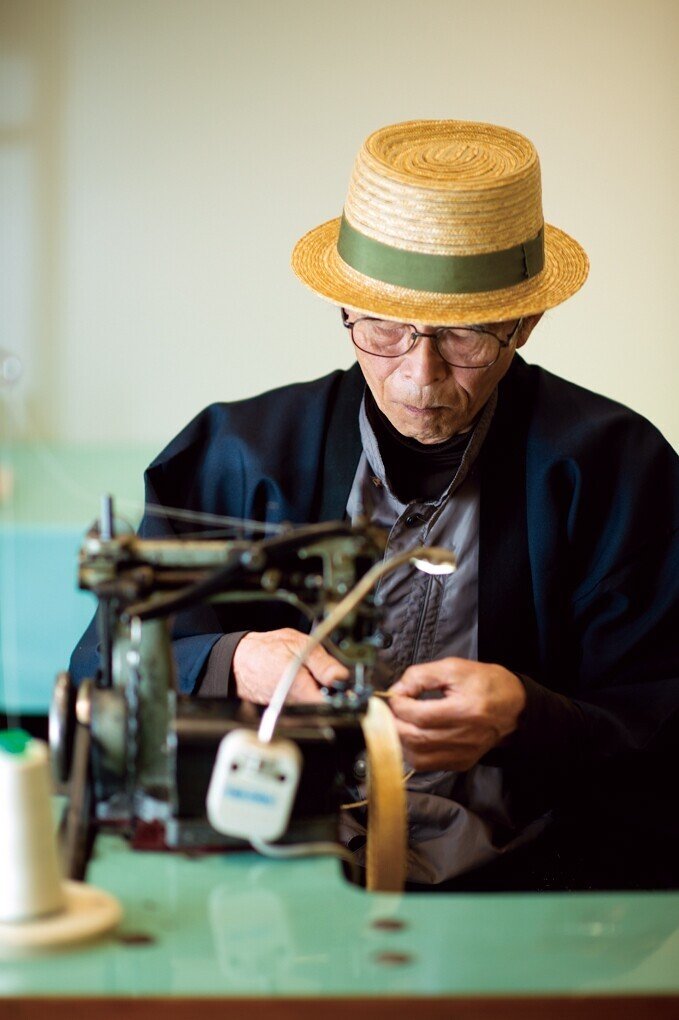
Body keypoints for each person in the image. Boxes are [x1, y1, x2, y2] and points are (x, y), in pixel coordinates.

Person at [71, 120, 679, 890]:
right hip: (270, 868)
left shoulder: (614, 470)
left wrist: (529, 714)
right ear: (345, 310)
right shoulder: (237, 454)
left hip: (525, 878)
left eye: (464, 335)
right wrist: (235, 660)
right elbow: (101, 666)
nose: (418, 375)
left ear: (523, 324)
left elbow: (660, 712)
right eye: (386, 326)